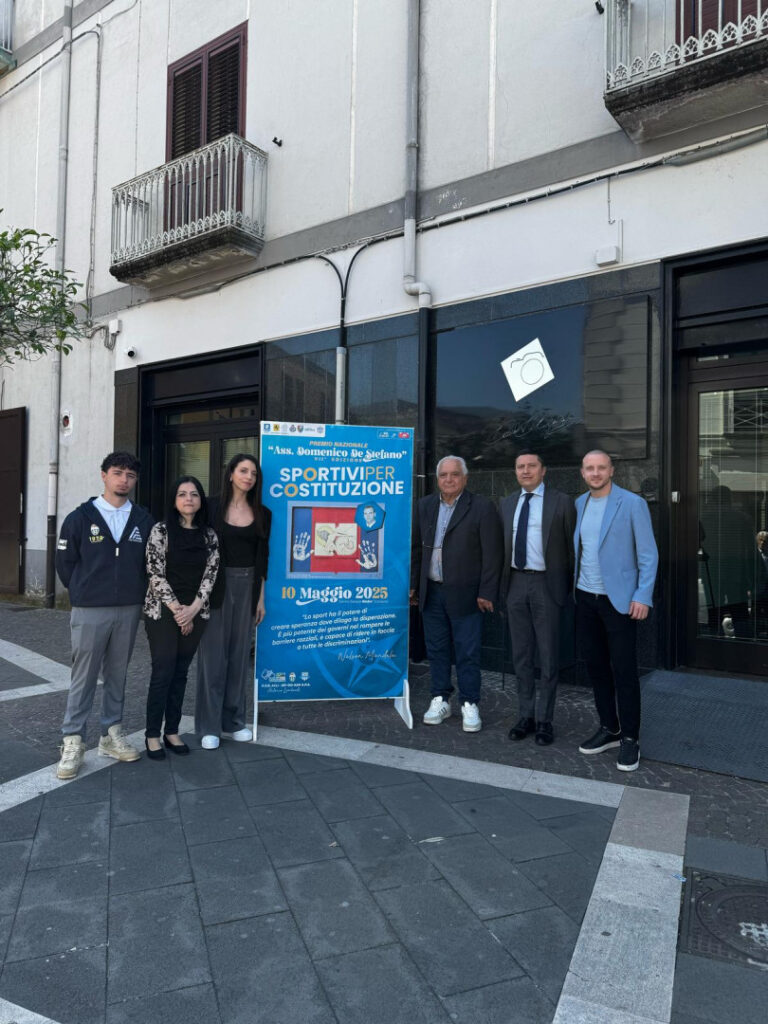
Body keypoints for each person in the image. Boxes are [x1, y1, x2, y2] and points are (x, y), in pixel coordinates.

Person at [54, 451, 154, 780]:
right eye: (118, 473)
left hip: (128, 608)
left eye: (130, 475)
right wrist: (84, 592)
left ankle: (111, 734)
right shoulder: (80, 517)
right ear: (104, 475)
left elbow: (148, 565)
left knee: (118, 674)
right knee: (83, 676)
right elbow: (65, 564)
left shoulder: (142, 519)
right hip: (89, 609)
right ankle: (73, 739)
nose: (123, 479)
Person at [574, 450, 658, 772]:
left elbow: (648, 555)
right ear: (582, 473)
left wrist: (643, 596)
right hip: (586, 598)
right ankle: (610, 728)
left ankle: (631, 739)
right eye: (589, 468)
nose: (595, 473)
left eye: (601, 468)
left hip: (620, 602)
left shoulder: (632, 504)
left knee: (624, 671)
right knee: (596, 667)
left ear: (611, 470)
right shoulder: (579, 504)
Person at [411, 455, 503, 732]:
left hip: (466, 594)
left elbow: (492, 553)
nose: (448, 480)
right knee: (437, 650)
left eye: (454, 475)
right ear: (437, 479)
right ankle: (440, 697)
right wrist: (414, 585)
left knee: (468, 651)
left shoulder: (482, 507)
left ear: (465, 478)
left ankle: (469, 703)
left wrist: (487, 591)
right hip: (432, 592)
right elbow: (416, 548)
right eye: (443, 475)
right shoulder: (424, 505)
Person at [195, 453, 271, 749]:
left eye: (253, 473)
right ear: (230, 474)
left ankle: (234, 721)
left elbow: (262, 558)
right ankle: (209, 726)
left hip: (248, 585)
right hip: (215, 585)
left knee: (240, 657)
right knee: (213, 657)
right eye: (243, 471)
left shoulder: (263, 513)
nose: (248, 477)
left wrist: (260, 599)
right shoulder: (211, 507)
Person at [501, 451, 575, 746]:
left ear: (544, 470)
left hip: (548, 585)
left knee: (547, 656)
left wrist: (568, 589)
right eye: (520, 466)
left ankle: (545, 720)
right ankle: (525, 716)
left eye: (532, 466)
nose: (526, 471)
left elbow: (573, 549)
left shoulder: (561, 502)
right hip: (515, 583)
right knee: (521, 656)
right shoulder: (506, 503)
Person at [143, 477, 219, 759]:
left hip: (196, 612)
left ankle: (171, 730)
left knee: (181, 672)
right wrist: (178, 610)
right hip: (163, 612)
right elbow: (155, 573)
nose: (189, 499)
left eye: (194, 494)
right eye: (182, 494)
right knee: (163, 671)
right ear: (175, 501)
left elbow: (211, 575)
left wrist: (193, 609)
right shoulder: (160, 531)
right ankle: (152, 734)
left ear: (201, 501)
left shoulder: (209, 535)